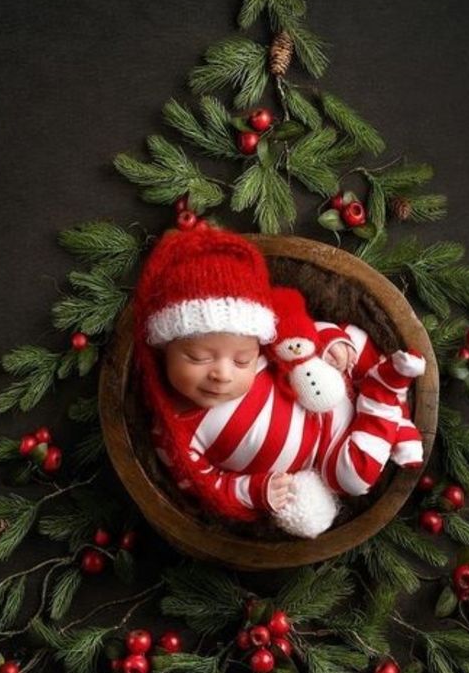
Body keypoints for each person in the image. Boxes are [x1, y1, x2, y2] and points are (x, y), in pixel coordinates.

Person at [133, 224, 425, 538]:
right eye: (198, 358)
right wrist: (257, 490)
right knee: (355, 479)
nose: (222, 373)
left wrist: (331, 343)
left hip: (328, 379)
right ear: (165, 351)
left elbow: (298, 333)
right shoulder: (174, 433)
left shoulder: (260, 347)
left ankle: (389, 402)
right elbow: (207, 485)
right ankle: (385, 394)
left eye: (241, 360)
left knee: (350, 336)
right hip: (327, 455)